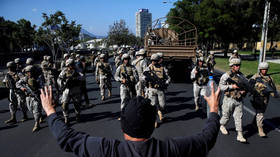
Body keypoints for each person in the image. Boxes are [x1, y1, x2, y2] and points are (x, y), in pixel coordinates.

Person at [40, 80, 221, 157]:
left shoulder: (107, 150)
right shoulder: (171, 149)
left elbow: (67, 138)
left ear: (122, 125)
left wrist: (50, 110)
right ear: (153, 125)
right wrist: (213, 108)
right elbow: (207, 138)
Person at [219, 58, 248, 143]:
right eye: (236, 65)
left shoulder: (241, 76)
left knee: (239, 117)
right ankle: (222, 125)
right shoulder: (226, 76)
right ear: (232, 66)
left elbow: (245, 86)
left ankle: (240, 134)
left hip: (239, 99)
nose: (238, 67)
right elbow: (221, 87)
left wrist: (244, 91)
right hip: (229, 99)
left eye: (239, 65)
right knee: (226, 116)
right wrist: (232, 87)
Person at [249, 62, 278, 137]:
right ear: (260, 69)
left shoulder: (270, 78)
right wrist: (257, 85)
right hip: (258, 97)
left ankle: (254, 123)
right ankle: (260, 130)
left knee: (261, 112)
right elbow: (250, 84)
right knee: (260, 113)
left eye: (266, 69)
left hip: (266, 98)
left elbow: (273, 88)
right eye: (263, 69)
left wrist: (274, 93)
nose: (264, 71)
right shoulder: (256, 76)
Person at [144, 53, 170, 126]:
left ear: (158, 60)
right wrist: (147, 79)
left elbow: (168, 78)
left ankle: (159, 111)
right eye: (152, 60)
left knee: (162, 105)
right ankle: (154, 120)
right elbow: (143, 77)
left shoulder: (162, 68)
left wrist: (165, 83)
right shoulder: (149, 68)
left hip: (160, 89)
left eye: (155, 60)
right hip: (152, 89)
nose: (153, 62)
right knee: (153, 105)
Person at [16, 65, 43, 132]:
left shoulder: (37, 78)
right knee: (31, 110)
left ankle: (37, 124)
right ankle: (40, 115)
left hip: (36, 96)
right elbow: (17, 84)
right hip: (28, 97)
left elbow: (42, 86)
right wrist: (23, 88)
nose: (29, 73)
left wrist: (38, 90)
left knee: (36, 110)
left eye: (30, 72)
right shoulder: (25, 79)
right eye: (27, 72)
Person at [57, 58, 83, 124]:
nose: (71, 66)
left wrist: (75, 79)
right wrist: (62, 83)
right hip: (66, 90)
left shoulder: (77, 70)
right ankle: (66, 117)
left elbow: (82, 77)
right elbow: (58, 79)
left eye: (72, 65)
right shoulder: (64, 71)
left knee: (76, 104)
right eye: (69, 65)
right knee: (64, 105)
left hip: (75, 89)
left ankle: (77, 115)